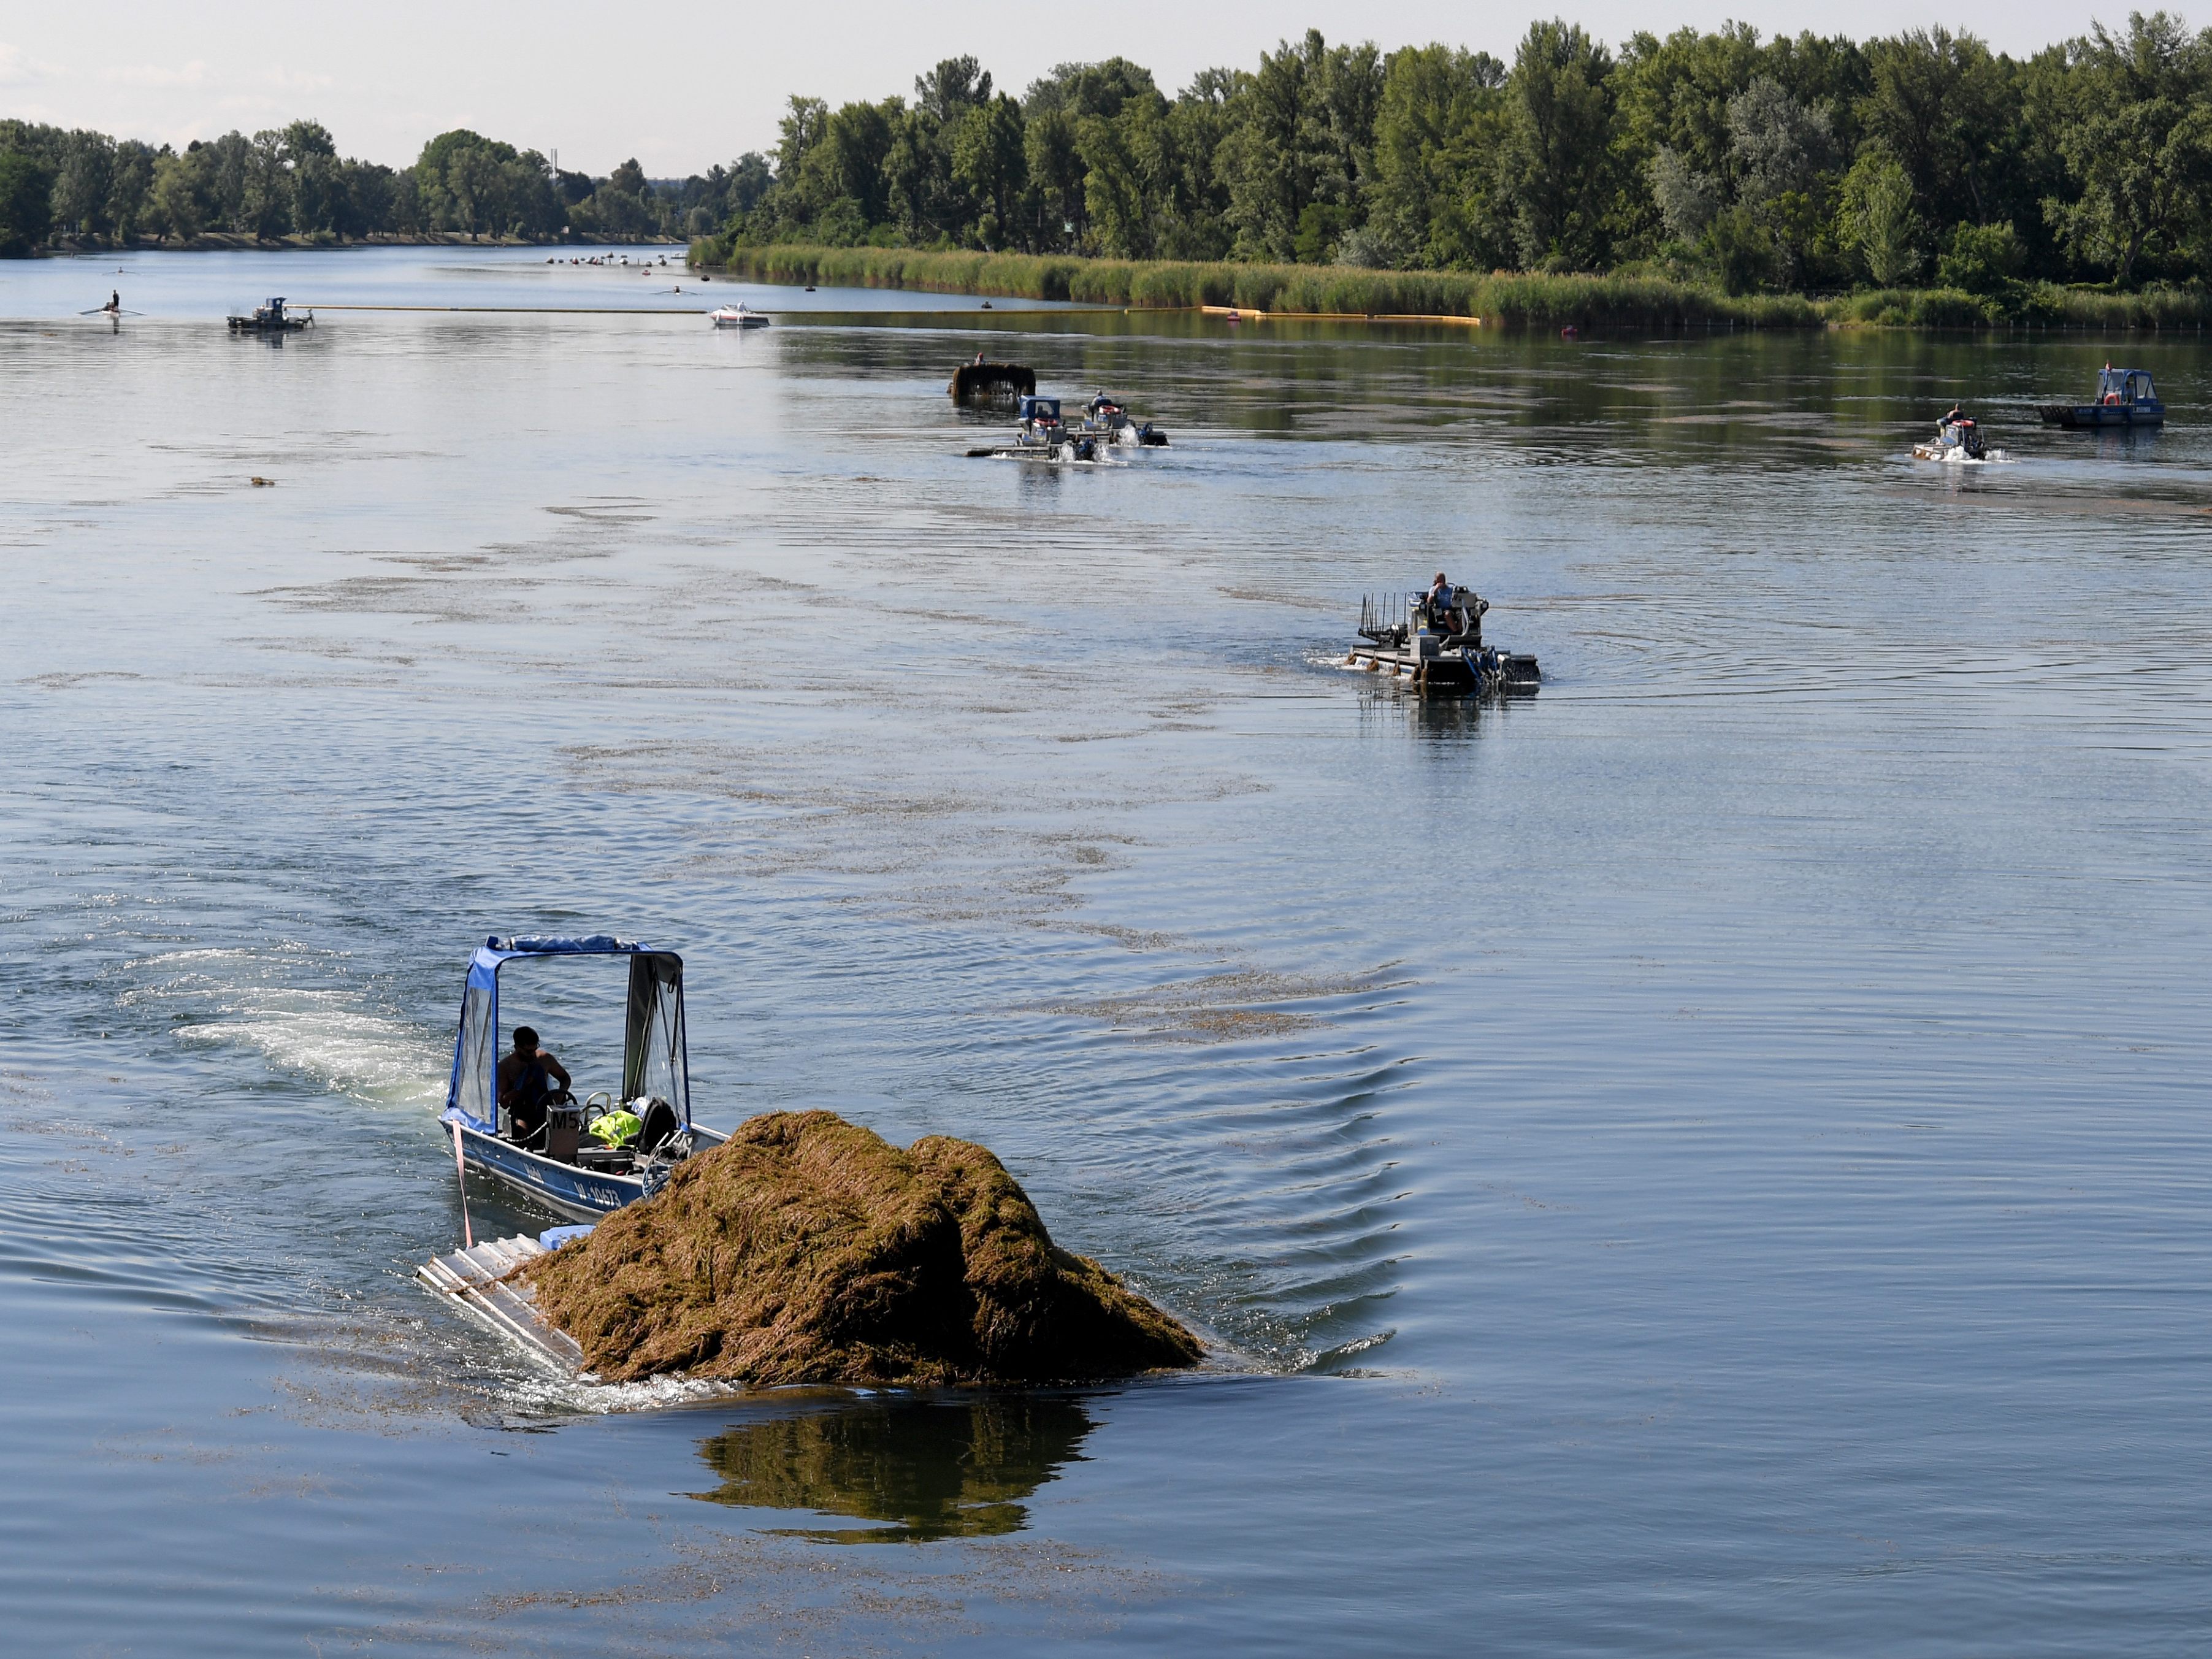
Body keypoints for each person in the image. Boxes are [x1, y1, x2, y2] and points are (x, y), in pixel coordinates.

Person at [496, 1026, 570, 1144]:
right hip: (522, 1112)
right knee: (523, 1132)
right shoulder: (505, 1067)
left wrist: (559, 1095)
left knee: (566, 1134)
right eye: (528, 1052)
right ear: (517, 1048)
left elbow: (565, 1078)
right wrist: (522, 1087)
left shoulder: (544, 1059)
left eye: (535, 1049)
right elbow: (504, 1102)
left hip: (546, 1108)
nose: (532, 1055)